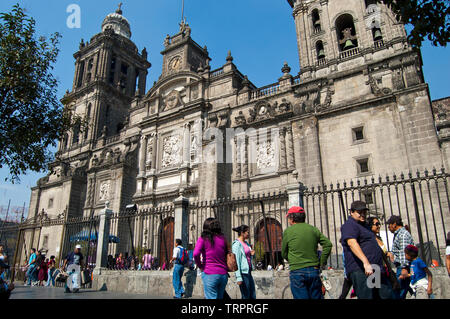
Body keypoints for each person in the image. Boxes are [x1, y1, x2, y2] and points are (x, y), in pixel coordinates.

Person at [340, 201, 393, 299]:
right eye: (359, 212)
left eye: (364, 212)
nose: (363, 214)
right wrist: (366, 263)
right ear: (351, 212)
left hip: (374, 269)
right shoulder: (350, 225)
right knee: (367, 296)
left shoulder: (364, 226)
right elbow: (352, 243)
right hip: (362, 270)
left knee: (383, 295)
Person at [281, 206, 332, 299]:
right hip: (314, 270)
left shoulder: (288, 231)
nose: (288, 220)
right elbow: (328, 245)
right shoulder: (313, 229)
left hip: (297, 271)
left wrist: (293, 260)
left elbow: (283, 253)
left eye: (288, 218)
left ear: (292, 218)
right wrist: (322, 261)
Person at [193, 218, 229, 299]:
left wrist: (200, 265)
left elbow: (195, 254)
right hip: (223, 274)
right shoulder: (223, 239)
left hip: (210, 273)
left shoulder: (203, 239)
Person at [386, 215, 414, 299]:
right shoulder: (399, 234)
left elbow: (404, 252)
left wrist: (404, 268)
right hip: (402, 267)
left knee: (398, 293)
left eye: (389, 225)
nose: (388, 227)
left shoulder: (402, 235)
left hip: (403, 268)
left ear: (394, 224)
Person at [232, 225, 256, 299]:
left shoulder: (246, 244)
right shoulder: (237, 244)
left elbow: (247, 258)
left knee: (252, 294)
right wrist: (238, 277)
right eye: (247, 232)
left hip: (248, 271)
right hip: (242, 273)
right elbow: (237, 261)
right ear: (242, 233)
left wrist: (252, 254)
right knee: (246, 295)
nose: (249, 234)